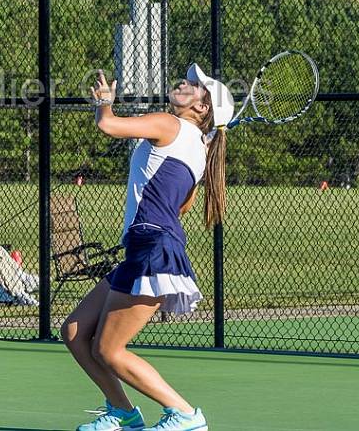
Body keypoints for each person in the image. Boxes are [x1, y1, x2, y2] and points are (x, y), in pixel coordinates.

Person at [61, 65, 232, 431]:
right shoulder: (198, 149)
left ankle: (186, 415)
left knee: (109, 349)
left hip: (153, 247)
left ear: (202, 108)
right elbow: (182, 206)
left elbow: (109, 126)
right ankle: (123, 412)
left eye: (195, 85)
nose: (184, 83)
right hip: (145, 246)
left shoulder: (169, 124)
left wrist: (104, 104)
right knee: (76, 331)